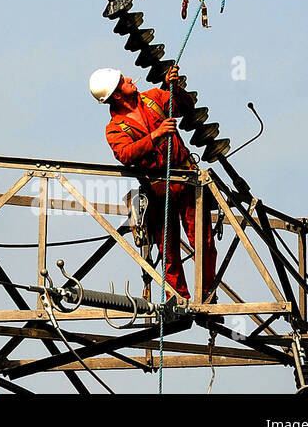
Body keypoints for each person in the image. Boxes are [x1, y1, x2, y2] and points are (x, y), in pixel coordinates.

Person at [88, 64, 217, 301]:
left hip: (187, 180)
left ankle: (207, 297)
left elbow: (184, 106)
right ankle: (176, 299)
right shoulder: (115, 129)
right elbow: (125, 154)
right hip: (159, 190)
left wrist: (174, 86)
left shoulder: (153, 98)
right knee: (168, 250)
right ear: (116, 95)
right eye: (123, 81)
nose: (129, 79)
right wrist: (156, 135)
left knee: (203, 243)